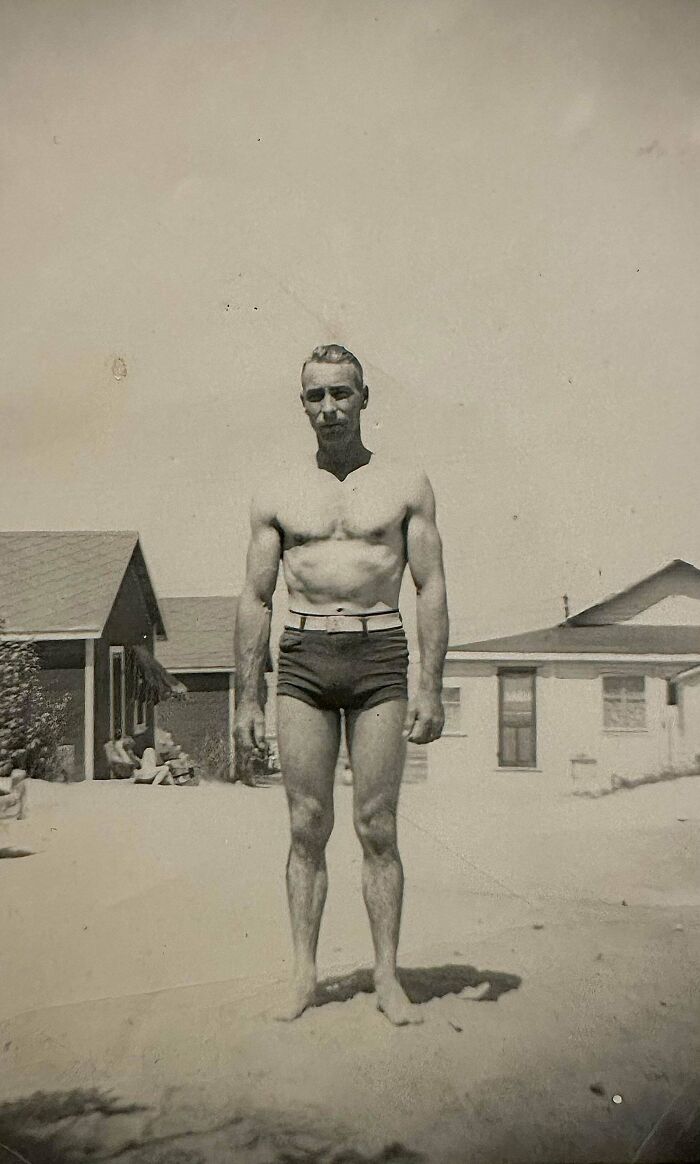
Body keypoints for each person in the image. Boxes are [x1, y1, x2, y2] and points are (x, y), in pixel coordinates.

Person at [234, 344, 449, 1025]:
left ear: (363, 397)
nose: (329, 408)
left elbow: (430, 586)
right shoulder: (276, 491)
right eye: (316, 396)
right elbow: (254, 596)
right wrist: (246, 694)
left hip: (380, 653)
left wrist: (432, 686)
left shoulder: (407, 484)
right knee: (306, 823)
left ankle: (387, 976)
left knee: (377, 825)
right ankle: (304, 973)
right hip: (303, 659)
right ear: (302, 404)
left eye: (341, 394)